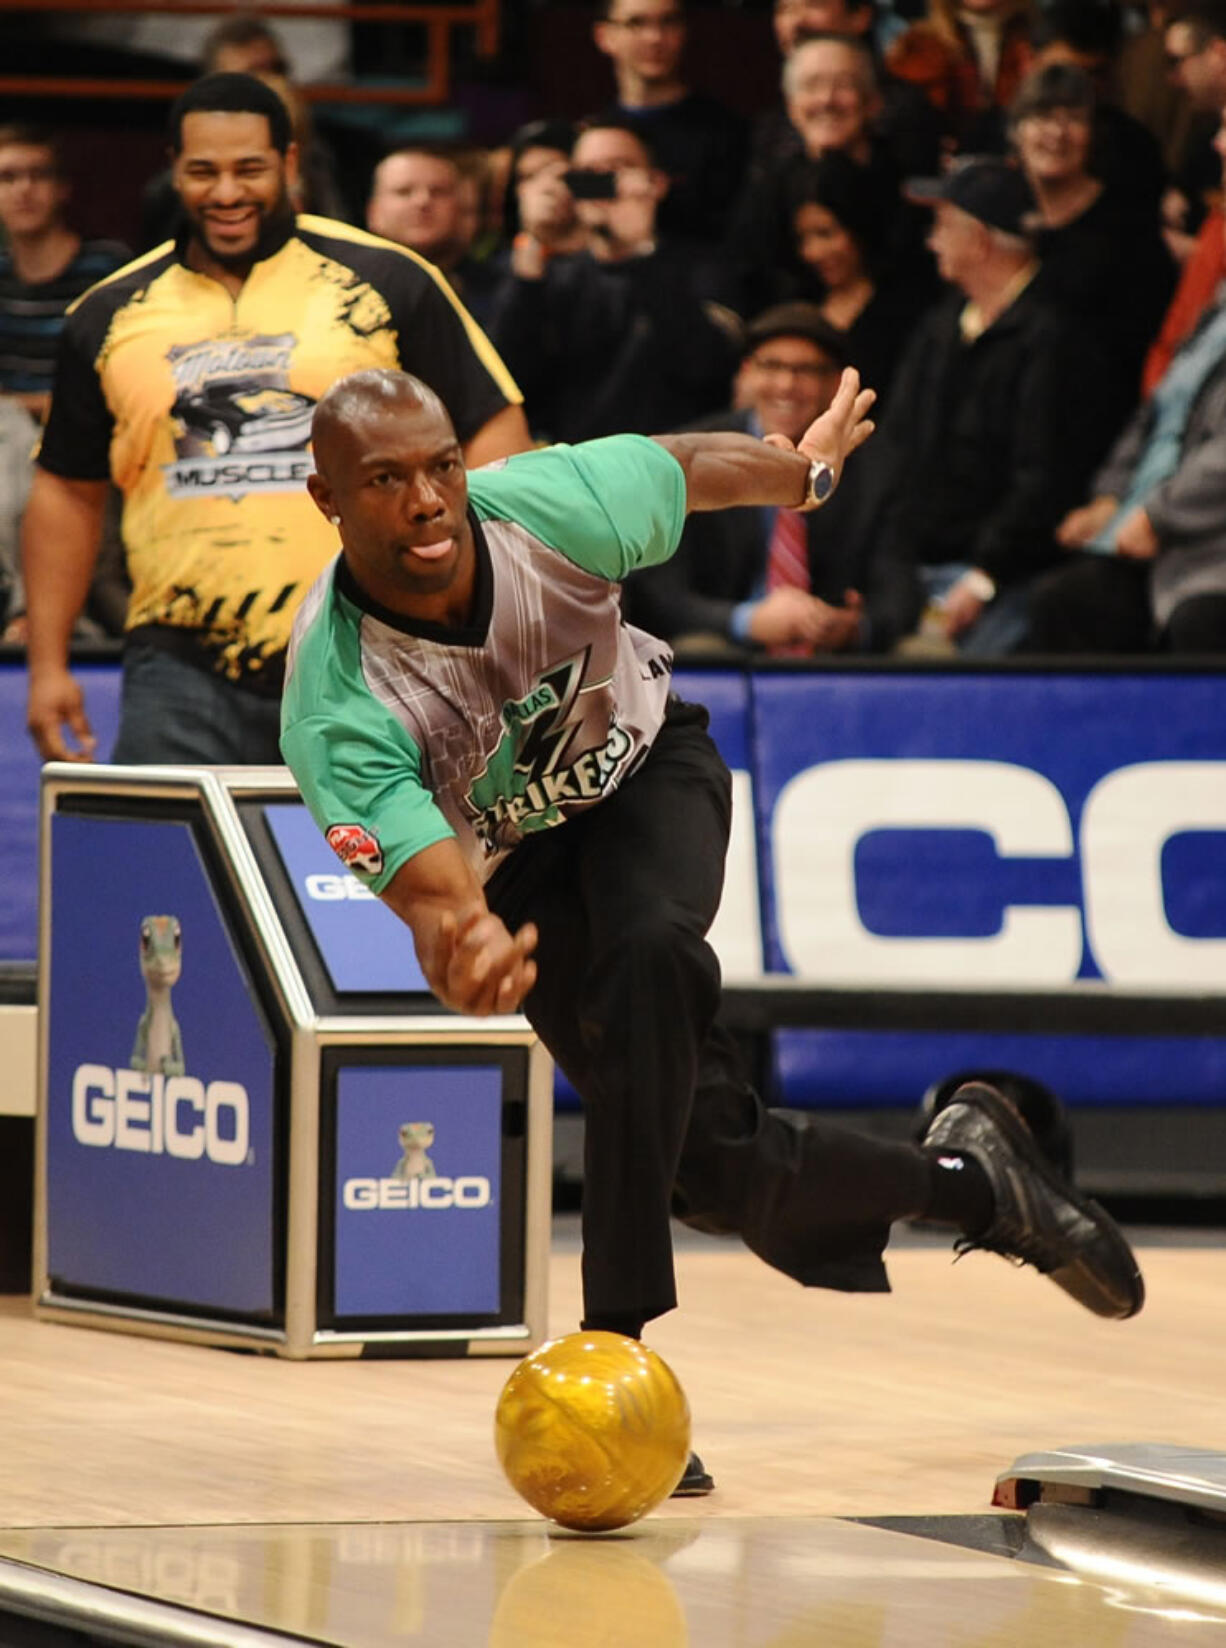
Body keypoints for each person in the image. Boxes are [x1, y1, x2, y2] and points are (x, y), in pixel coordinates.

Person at [280, 363, 1143, 1495]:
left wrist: (805, 472)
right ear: (326, 498)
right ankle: (976, 1181)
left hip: (649, 773)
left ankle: (615, 1348)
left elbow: (686, 468)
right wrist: (468, 946)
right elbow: (439, 897)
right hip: (522, 867)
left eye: (440, 466)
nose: (429, 499)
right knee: (717, 1166)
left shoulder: (544, 502)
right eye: (385, 480)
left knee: (648, 950)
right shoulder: (336, 695)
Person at [20, 73, 530, 769]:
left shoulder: (388, 279)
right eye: (203, 171)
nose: (226, 192)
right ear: (173, 169)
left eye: (249, 169)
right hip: (177, 665)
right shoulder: (107, 315)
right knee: (171, 876)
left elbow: (494, 432)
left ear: (288, 165)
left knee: (378, 878)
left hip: (373, 648)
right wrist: (47, 667)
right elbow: (67, 492)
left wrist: (473, 602)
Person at [862, 157, 1096, 654]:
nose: (932, 241)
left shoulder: (1056, 338)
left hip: (1004, 579)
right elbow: (896, 448)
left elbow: (1046, 479)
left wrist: (985, 576)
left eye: (943, 226)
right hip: (914, 566)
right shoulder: (939, 329)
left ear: (981, 240)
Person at [1025, 119, 1226, 655]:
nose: (1217, 144)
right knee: (1062, 601)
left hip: (1207, 544)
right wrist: (1112, 498)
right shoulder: (1220, 293)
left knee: (1200, 622)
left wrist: (1157, 514)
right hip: (1157, 534)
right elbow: (1159, 410)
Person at [625, 301, 919, 652]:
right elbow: (657, 591)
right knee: (702, 649)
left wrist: (856, 627)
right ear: (747, 372)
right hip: (725, 646)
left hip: (834, 657)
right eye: (771, 366)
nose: (786, 384)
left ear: (836, 383)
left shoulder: (878, 469)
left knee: (923, 654)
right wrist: (745, 620)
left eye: (806, 370)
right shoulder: (691, 455)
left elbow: (901, 588)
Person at [486, 121, 737, 443]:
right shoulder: (553, 277)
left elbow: (707, 369)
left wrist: (640, 252)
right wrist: (532, 243)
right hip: (578, 466)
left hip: (679, 462)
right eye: (588, 173)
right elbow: (507, 385)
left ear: (656, 183)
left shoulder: (704, 267)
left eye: (618, 169)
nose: (602, 183)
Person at [590, 0, 748, 249]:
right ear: (604, 36)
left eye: (668, 22)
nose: (654, 37)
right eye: (636, 23)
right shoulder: (594, 138)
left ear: (684, 32)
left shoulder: (726, 133)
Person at [0, 124, 128, 424]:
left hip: (90, 437)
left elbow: (123, 387)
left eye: (39, 175)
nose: (24, 190)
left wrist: (19, 405)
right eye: (8, 177)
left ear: (62, 188)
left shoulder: (108, 268)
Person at [366, 147, 499, 325]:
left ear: (461, 208)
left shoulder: (501, 288)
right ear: (373, 212)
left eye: (438, 191)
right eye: (404, 191)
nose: (422, 201)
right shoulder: (337, 285)